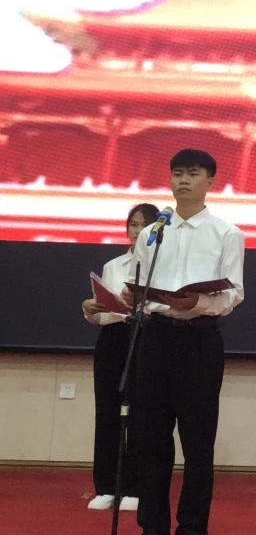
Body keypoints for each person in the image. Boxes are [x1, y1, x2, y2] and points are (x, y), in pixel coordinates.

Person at [123, 149, 245, 535]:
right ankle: (152, 530)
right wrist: (135, 296)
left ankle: (192, 530)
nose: (184, 181)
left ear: (210, 181)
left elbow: (233, 294)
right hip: (155, 337)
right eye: (177, 173)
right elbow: (139, 283)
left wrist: (197, 302)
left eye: (193, 174)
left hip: (199, 341)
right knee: (150, 439)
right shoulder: (152, 232)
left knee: (197, 442)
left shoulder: (226, 233)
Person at [80, 202, 160, 511]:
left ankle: (136, 487)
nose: (137, 231)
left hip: (146, 338)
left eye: (144, 225)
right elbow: (104, 314)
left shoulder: (161, 266)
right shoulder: (113, 265)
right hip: (113, 339)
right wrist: (91, 309)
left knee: (141, 414)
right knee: (107, 411)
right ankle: (106, 486)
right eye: (133, 224)